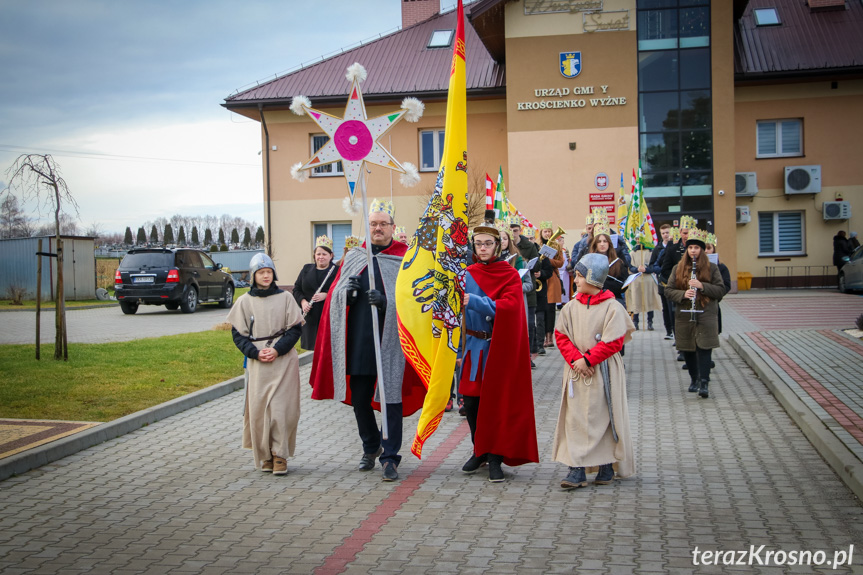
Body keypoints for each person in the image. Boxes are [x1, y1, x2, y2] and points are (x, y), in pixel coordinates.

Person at [310, 199, 426, 481]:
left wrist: (387, 302)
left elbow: (415, 301)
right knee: (361, 398)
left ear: (392, 227)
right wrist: (345, 293)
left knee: (391, 400)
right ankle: (371, 444)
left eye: (383, 224)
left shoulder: (404, 258)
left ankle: (390, 457)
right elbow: (335, 297)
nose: (377, 228)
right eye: (373, 223)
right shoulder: (354, 257)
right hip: (360, 340)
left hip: (392, 343)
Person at [458, 211, 539, 482]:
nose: (482, 248)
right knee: (471, 402)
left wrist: (478, 302)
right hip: (472, 347)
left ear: (498, 245)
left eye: (488, 243)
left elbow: (512, 306)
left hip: (497, 348)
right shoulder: (466, 273)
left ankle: (495, 457)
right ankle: (479, 449)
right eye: (478, 243)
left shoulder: (509, 273)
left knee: (496, 403)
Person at [553, 253, 635, 490]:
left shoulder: (612, 307)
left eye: (579, 276)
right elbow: (561, 335)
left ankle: (606, 465)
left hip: (603, 370)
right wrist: (576, 359)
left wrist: (588, 360)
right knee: (575, 417)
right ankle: (576, 468)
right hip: (577, 371)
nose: (575, 281)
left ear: (593, 278)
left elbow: (614, 342)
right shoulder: (570, 307)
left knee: (605, 415)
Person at [227, 253, 304, 476]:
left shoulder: (286, 298)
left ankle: (280, 455)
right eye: (261, 273)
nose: (265, 276)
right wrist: (254, 352)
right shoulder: (244, 302)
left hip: (283, 361)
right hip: (258, 363)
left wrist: (278, 349)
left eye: (268, 272)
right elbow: (238, 334)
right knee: (260, 411)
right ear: (254, 276)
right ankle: (266, 455)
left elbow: (295, 329)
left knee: (282, 410)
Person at [664, 229, 727, 399]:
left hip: (706, 313)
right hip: (685, 314)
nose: (693, 251)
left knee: (705, 347)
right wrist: (683, 294)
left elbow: (721, 290)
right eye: (690, 247)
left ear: (701, 250)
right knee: (689, 349)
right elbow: (668, 290)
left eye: (697, 248)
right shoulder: (678, 268)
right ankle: (694, 379)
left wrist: (702, 286)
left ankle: (704, 382)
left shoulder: (712, 268)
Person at [292, 235, 337, 350]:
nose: (321, 257)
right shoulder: (306, 269)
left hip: (328, 318)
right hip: (310, 318)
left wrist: (327, 295)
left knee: (327, 350)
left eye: (324, 254)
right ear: (314, 255)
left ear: (331, 256)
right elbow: (296, 289)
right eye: (318, 254)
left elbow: (342, 292)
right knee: (313, 349)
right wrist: (302, 302)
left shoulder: (336, 271)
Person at [510, 217, 541, 365]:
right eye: (510, 230)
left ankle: (528, 355)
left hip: (526, 293)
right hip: (510, 297)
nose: (513, 233)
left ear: (519, 231)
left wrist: (530, 265)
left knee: (528, 324)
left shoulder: (529, 246)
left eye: (515, 230)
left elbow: (537, 265)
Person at [539, 222, 565, 348]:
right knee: (542, 310)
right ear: (541, 233)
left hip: (552, 279)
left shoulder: (556, 246)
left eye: (549, 231)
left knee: (550, 309)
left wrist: (547, 259)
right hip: (542, 279)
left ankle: (550, 337)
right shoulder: (537, 246)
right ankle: (542, 336)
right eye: (545, 231)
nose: (548, 234)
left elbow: (560, 263)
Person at [627, 242, 662, 331]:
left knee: (649, 300)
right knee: (636, 300)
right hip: (637, 280)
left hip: (648, 279)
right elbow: (630, 267)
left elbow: (654, 266)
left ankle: (650, 322)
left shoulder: (651, 253)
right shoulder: (632, 253)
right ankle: (636, 322)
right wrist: (636, 269)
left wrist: (646, 269)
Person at [650, 224, 675, 339]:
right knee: (665, 307)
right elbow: (652, 265)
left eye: (667, 232)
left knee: (673, 308)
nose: (666, 235)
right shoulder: (658, 249)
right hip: (663, 283)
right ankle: (668, 330)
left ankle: (675, 331)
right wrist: (662, 271)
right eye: (663, 233)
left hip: (674, 283)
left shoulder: (675, 247)